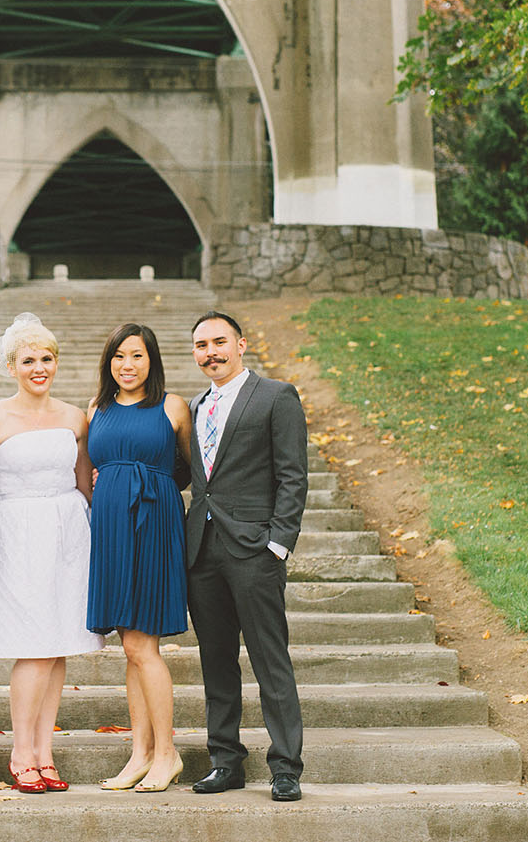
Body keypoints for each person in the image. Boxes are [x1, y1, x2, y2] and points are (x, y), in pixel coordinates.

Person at [0, 313, 105, 793]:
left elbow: (86, 483)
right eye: (28, 360)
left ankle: (45, 750)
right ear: (11, 366)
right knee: (31, 646)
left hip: (69, 532)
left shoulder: (75, 417)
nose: (39, 367)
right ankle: (20, 751)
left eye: (46, 358)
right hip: (18, 532)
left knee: (58, 644)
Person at [183, 310, 308, 802]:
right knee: (215, 661)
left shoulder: (276, 397)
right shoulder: (194, 405)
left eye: (218, 342)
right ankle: (225, 761)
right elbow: (194, 474)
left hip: (256, 550)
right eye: (200, 345)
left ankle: (285, 766)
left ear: (241, 344)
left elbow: (293, 474)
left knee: (269, 658)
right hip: (203, 552)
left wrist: (278, 541)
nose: (209, 352)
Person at [85, 322, 194, 793]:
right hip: (110, 529)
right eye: (118, 357)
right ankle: (140, 753)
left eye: (137, 356)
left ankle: (166, 753)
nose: (127, 365)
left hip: (153, 523)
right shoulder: (96, 408)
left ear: (152, 360)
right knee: (131, 650)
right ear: (108, 363)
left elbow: (191, 470)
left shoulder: (173, 406)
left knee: (141, 647)